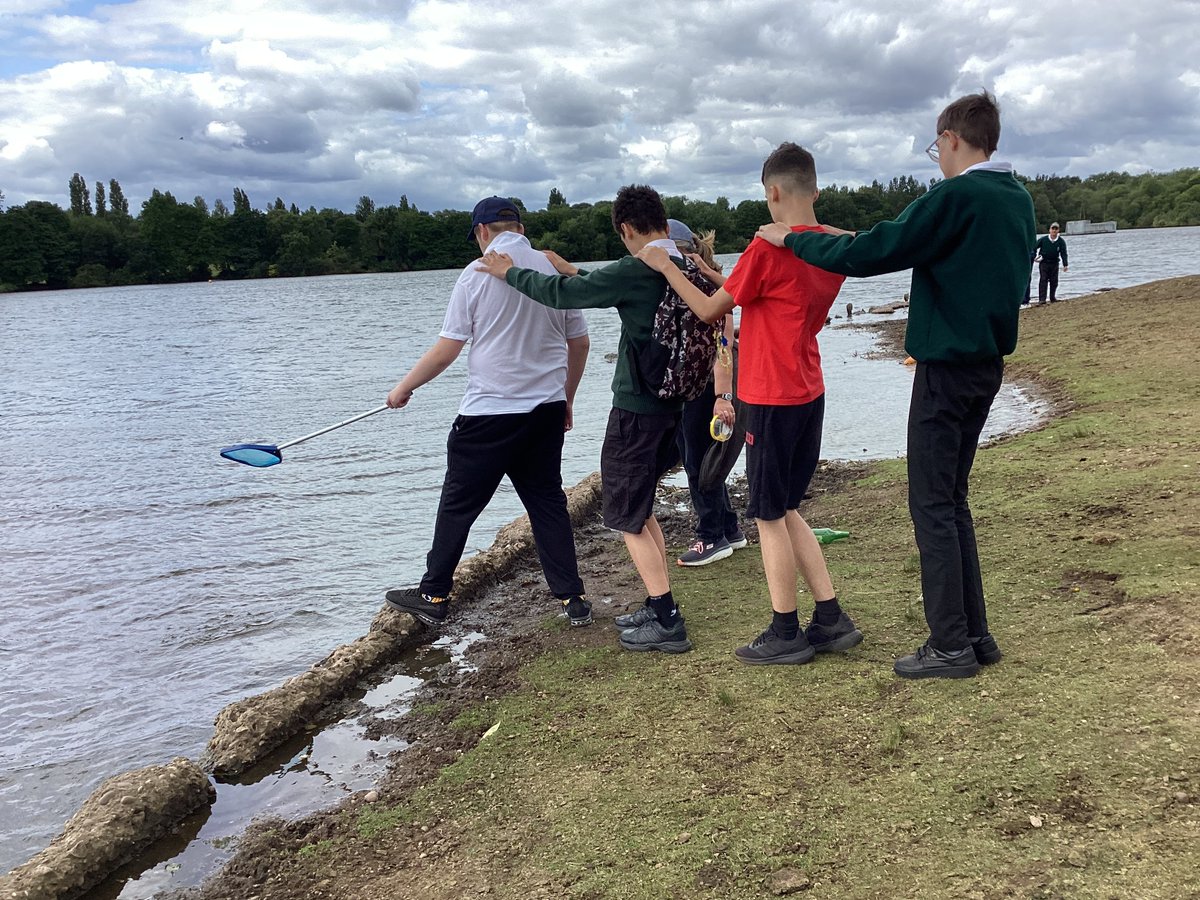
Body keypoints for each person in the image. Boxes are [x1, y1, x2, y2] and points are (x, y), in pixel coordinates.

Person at [756, 90, 1036, 679]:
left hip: (946, 368)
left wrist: (795, 239)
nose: (938, 158)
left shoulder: (958, 195)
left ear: (953, 140)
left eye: (938, 147)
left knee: (932, 503)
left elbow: (875, 249)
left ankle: (950, 646)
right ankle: (974, 635)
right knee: (952, 500)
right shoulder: (1017, 198)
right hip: (986, 365)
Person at [638, 143, 863, 667]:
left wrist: (668, 266)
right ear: (816, 190)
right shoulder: (831, 248)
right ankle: (829, 616)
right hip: (809, 389)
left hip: (769, 394)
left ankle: (786, 629)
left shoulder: (767, 250)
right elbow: (752, 292)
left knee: (765, 514)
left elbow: (710, 308)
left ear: (773, 193)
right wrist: (715, 270)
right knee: (785, 507)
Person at [476, 185, 695, 654]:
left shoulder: (637, 268)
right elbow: (604, 287)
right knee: (641, 506)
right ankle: (658, 605)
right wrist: (574, 268)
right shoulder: (683, 264)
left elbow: (560, 295)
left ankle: (668, 618)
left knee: (625, 517)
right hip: (674, 406)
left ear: (627, 229)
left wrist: (510, 272)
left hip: (637, 410)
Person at [383, 196, 592, 629]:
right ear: (519, 226)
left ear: (482, 232)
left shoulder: (476, 272)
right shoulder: (553, 266)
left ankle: (433, 592)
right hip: (545, 411)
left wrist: (404, 388)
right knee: (547, 503)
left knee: (458, 506)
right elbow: (580, 343)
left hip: (489, 416)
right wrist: (566, 399)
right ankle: (572, 598)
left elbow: (448, 348)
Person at [666, 219, 746, 566]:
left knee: (699, 461)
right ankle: (729, 527)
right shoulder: (706, 281)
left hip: (705, 385)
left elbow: (723, 342)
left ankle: (710, 536)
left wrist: (723, 396)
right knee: (705, 457)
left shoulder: (700, 286)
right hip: (705, 383)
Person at [1035, 222, 1069, 303]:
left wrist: (1065, 264)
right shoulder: (1043, 239)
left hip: (1054, 263)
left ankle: (1052, 298)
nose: (1054, 231)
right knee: (1043, 280)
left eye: (1056, 229)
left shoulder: (1061, 241)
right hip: (1044, 263)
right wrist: (1034, 257)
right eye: (1052, 229)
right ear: (1049, 230)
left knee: (1054, 281)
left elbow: (1063, 253)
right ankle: (1042, 299)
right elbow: (1034, 247)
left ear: (1058, 230)